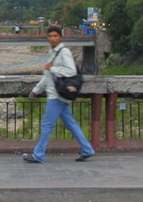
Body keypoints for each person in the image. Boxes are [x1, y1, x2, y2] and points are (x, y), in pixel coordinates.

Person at [23, 25, 95, 163]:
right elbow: (48, 76)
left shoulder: (64, 52)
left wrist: (53, 68)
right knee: (71, 124)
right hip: (58, 94)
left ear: (60, 37)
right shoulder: (53, 52)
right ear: (47, 38)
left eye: (55, 36)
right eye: (50, 36)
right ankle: (87, 149)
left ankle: (38, 155)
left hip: (56, 96)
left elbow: (71, 71)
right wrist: (36, 90)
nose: (53, 38)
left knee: (46, 125)